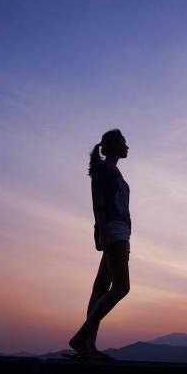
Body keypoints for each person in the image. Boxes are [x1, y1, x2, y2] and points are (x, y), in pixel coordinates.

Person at [67, 129, 131, 360]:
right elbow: (99, 202)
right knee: (122, 287)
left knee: (101, 289)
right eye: (124, 142)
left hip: (121, 232)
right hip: (113, 230)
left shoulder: (116, 172)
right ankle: (80, 338)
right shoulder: (104, 169)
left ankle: (88, 347)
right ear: (114, 146)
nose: (128, 147)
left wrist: (126, 236)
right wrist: (102, 231)